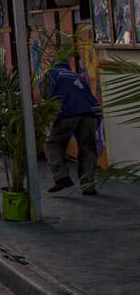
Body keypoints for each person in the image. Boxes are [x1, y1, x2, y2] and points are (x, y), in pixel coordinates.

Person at [40, 58, 103, 194]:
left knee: (53, 144)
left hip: (67, 111)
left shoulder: (51, 74)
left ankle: (61, 176)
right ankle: (88, 185)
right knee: (88, 148)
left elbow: (45, 95)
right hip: (90, 113)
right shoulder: (78, 76)